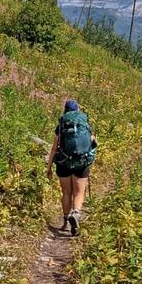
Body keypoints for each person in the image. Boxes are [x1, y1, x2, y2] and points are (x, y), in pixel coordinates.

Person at [47, 99, 96, 235]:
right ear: (78, 110)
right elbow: (93, 141)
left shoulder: (62, 124)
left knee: (66, 192)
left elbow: (54, 148)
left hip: (63, 162)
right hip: (81, 162)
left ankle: (65, 221)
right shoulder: (85, 123)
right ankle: (76, 212)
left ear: (66, 110)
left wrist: (49, 167)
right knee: (79, 192)